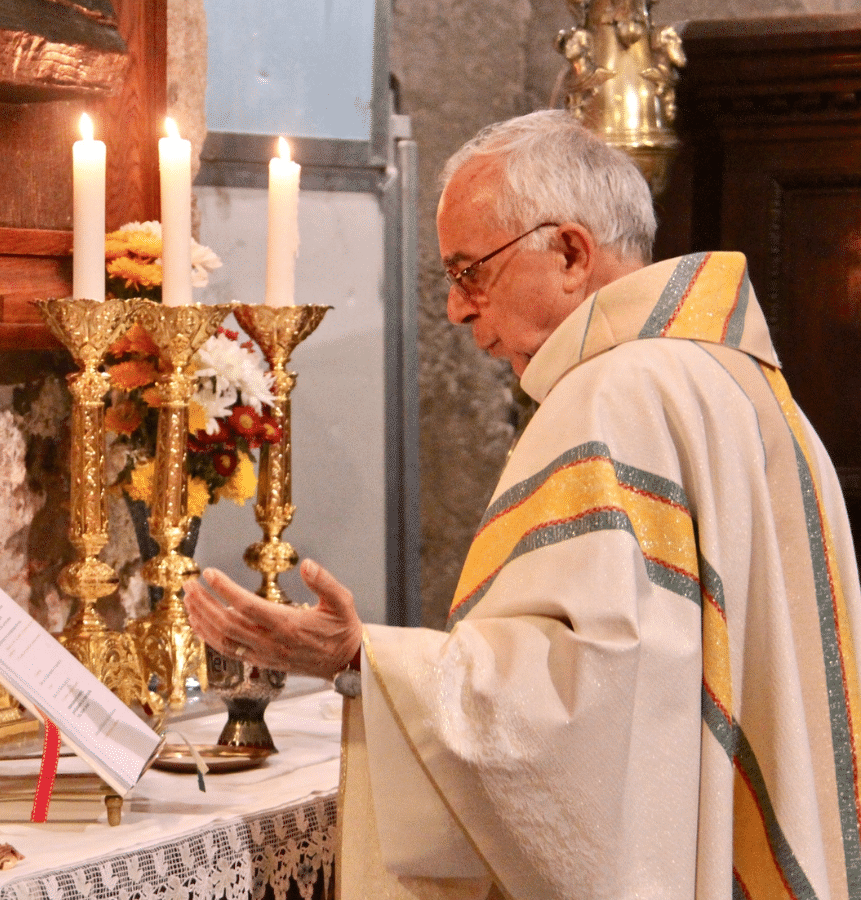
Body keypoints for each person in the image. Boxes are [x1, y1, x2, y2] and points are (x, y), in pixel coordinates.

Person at [185, 109, 861, 900]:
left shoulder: (617, 394)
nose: (456, 309)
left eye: (471, 270)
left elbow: (583, 710)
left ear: (571, 253)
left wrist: (364, 657)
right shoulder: (741, 383)